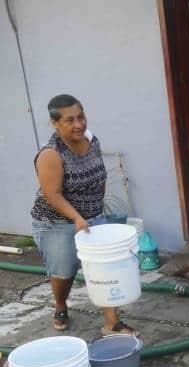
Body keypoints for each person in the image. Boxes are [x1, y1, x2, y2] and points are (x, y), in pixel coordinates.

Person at [31, 94, 138, 336]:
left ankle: (112, 323)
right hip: (56, 222)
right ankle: (60, 305)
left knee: (103, 268)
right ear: (55, 123)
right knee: (64, 272)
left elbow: (99, 174)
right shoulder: (51, 154)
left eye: (81, 117)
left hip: (92, 217)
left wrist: (96, 210)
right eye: (70, 120)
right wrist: (78, 218)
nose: (78, 124)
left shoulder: (92, 141)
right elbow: (52, 195)